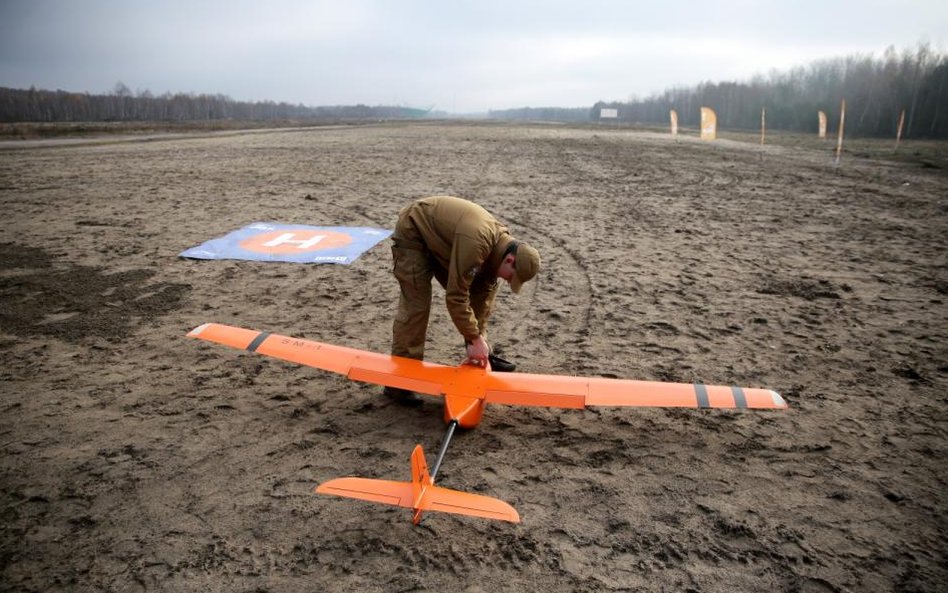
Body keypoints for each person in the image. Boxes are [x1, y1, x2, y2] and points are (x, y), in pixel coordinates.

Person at [385, 196, 541, 405]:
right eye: (511, 276)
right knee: (417, 307)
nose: (507, 280)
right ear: (510, 260)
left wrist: (479, 343)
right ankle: (399, 383)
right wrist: (474, 338)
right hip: (415, 231)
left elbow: (481, 300)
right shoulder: (477, 243)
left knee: (480, 295)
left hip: (445, 242)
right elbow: (456, 296)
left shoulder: (498, 250)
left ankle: (482, 354)